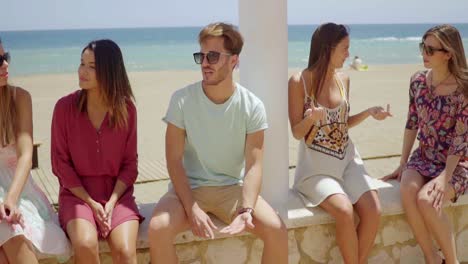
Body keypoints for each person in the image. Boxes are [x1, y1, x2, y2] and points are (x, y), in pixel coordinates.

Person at [148, 22, 288, 264]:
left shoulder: (252, 105)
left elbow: (254, 165)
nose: (204, 63)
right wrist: (192, 209)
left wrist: (246, 210)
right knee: (158, 228)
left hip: (231, 190)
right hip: (188, 190)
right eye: (201, 56)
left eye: (212, 56)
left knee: (276, 230)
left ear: (234, 61)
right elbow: (173, 161)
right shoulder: (181, 100)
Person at [288, 23, 392, 264]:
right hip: (316, 170)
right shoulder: (298, 82)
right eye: (344, 49)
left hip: (347, 160)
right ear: (328, 49)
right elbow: (296, 132)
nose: (348, 54)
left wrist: (368, 113)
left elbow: (341, 124)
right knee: (345, 211)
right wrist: (310, 119)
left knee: (373, 209)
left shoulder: (343, 79)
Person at [51, 39, 143, 264]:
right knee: (85, 244)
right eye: (82, 63)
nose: (83, 71)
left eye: (92, 66)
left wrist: (111, 202)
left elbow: (130, 165)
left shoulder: (127, 110)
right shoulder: (64, 108)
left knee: (125, 252)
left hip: (118, 197)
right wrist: (91, 203)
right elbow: (60, 164)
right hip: (76, 197)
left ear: (109, 70)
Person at [383, 24, 467, 264]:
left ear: (449, 54)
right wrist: (402, 163)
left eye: (431, 49)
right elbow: (412, 124)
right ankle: (432, 258)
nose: (424, 54)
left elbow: (461, 140)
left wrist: (444, 177)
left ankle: (451, 261)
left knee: (427, 200)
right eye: (423, 47)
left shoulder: (463, 89)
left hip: (457, 163)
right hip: (424, 156)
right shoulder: (418, 81)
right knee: (407, 190)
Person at [0, 37, 70, 264]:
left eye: (5, 57)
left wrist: (10, 199)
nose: (5, 65)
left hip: (17, 187)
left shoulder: (19, 98)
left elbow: (25, 156)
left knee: (12, 229)